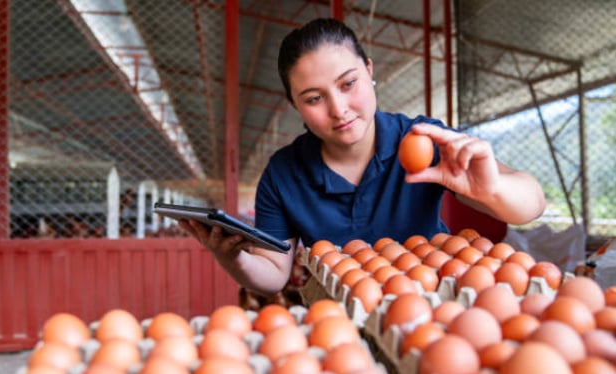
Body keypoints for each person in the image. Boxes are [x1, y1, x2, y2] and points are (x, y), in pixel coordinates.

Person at [179, 18, 545, 296]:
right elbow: (273, 274)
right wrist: (233, 258)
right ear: (295, 106)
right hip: (339, 322)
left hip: (433, 305)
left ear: (369, 72)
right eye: (313, 98)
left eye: (348, 83)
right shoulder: (283, 174)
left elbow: (532, 204)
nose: (339, 109)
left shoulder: (422, 138)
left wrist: (491, 190)